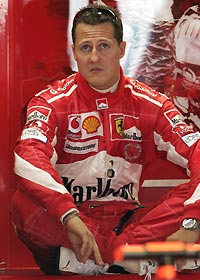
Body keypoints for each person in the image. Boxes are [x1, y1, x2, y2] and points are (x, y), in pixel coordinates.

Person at [11, 3, 200, 278]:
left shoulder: (152, 104)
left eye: (104, 46)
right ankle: (127, 261)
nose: (94, 58)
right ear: (74, 51)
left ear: (121, 49)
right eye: (86, 48)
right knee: (23, 204)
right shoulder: (50, 101)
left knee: (191, 197)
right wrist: (69, 216)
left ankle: (100, 261)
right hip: (72, 227)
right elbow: (29, 155)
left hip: (127, 224)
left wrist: (192, 222)